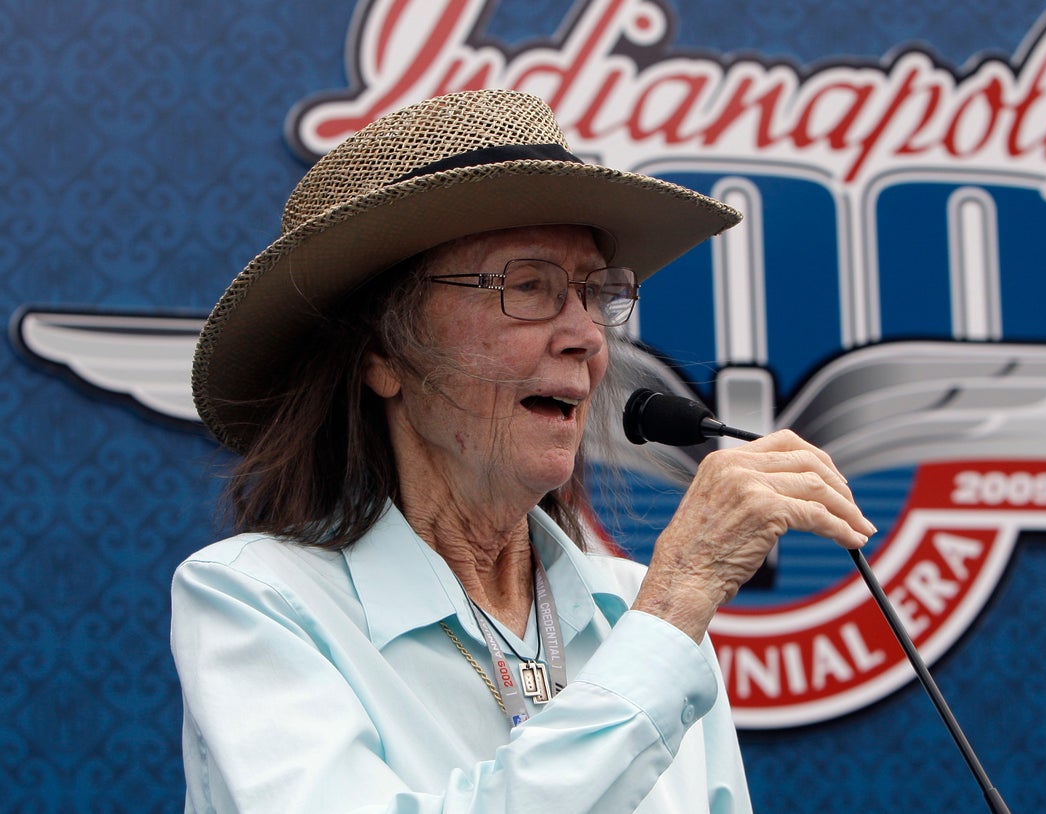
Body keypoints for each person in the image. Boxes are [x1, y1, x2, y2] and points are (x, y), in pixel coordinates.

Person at [171, 88, 875, 813]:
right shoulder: (258, 599)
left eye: (596, 294)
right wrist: (674, 610)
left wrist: (664, 617)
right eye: (528, 286)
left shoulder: (632, 609)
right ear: (381, 352)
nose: (587, 335)